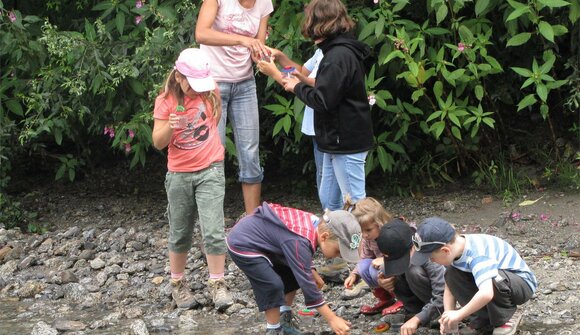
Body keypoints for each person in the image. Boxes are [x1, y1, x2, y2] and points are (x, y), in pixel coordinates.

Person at [152, 48, 233, 311]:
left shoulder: (210, 93)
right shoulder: (164, 101)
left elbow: (214, 121)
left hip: (210, 169)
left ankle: (217, 283)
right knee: (180, 231)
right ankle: (177, 284)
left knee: (213, 229)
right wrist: (170, 126)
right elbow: (157, 142)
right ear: (179, 76)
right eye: (191, 84)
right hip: (179, 174)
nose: (195, 90)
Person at [281, 0, 374, 211]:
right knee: (330, 203)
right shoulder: (334, 52)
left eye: (309, 19)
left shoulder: (338, 56)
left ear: (319, 22)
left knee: (356, 205)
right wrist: (299, 82)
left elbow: (323, 100)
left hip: (346, 142)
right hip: (335, 140)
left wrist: (296, 87)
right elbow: (328, 89)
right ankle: (333, 242)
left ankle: (364, 244)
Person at [227, 203, 362, 335]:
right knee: (272, 285)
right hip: (244, 244)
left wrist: (311, 270)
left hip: (268, 243)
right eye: (338, 251)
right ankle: (273, 329)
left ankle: (284, 318)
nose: (339, 256)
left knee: (294, 273)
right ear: (324, 237)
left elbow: (298, 257)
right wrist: (332, 319)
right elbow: (308, 286)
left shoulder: (316, 225)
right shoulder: (300, 240)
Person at [195, 0, 274, 215]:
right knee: (213, 153)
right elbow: (201, 33)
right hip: (212, 83)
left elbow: (256, 47)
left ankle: (253, 223)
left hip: (245, 83)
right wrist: (242, 39)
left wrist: (266, 57)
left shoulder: (264, 3)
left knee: (250, 154)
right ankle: (212, 223)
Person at [411, 218, 538, 335]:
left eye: (431, 258)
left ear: (445, 251)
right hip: (497, 284)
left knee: (493, 278)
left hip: (520, 285)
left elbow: (486, 293)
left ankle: (505, 318)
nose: (432, 262)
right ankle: (484, 322)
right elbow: (449, 288)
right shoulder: (457, 250)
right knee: (451, 273)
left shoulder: (477, 254)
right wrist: (449, 318)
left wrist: (460, 314)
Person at [257, 47, 325, 200]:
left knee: (327, 179)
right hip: (317, 127)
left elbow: (319, 84)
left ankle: (334, 218)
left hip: (326, 126)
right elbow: (301, 72)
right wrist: (281, 56)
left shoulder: (335, 54)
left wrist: (274, 72)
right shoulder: (321, 51)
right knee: (323, 175)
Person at [376, 219, 446, 335]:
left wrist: (419, 318)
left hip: (441, 300)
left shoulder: (431, 254)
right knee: (387, 269)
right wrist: (382, 281)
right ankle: (413, 310)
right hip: (417, 302)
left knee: (413, 270)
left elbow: (442, 294)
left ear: (413, 246)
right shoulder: (398, 248)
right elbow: (384, 269)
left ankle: (432, 314)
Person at [341, 197, 403, 315]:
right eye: (361, 230)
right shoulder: (368, 239)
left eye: (368, 230)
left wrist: (385, 260)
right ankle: (386, 299)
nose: (364, 235)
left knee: (379, 268)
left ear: (380, 223)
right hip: (383, 272)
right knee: (364, 266)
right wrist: (354, 274)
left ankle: (402, 299)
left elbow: (403, 256)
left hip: (399, 272)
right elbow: (364, 258)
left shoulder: (392, 234)